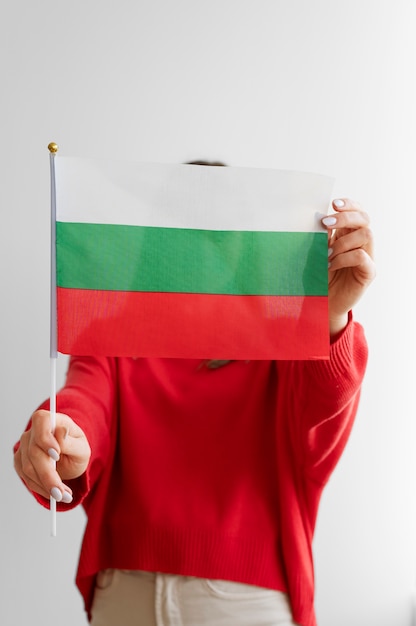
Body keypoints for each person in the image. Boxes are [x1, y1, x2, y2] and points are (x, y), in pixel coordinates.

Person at [13, 163, 375, 626]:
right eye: (181, 225)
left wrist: (330, 318)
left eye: (217, 230)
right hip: (126, 592)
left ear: (245, 246)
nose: (198, 246)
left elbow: (323, 415)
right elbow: (86, 403)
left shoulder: (281, 345)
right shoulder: (115, 337)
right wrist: (62, 433)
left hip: (247, 600)